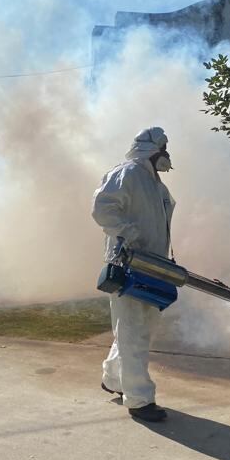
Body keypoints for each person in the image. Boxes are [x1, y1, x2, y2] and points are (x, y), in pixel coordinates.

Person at [91, 127, 175, 423]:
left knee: (139, 328)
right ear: (152, 148)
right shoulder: (127, 173)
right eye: (164, 148)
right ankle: (139, 400)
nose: (167, 154)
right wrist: (129, 235)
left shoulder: (156, 184)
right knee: (133, 331)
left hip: (152, 266)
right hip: (129, 266)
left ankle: (113, 379)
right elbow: (102, 208)